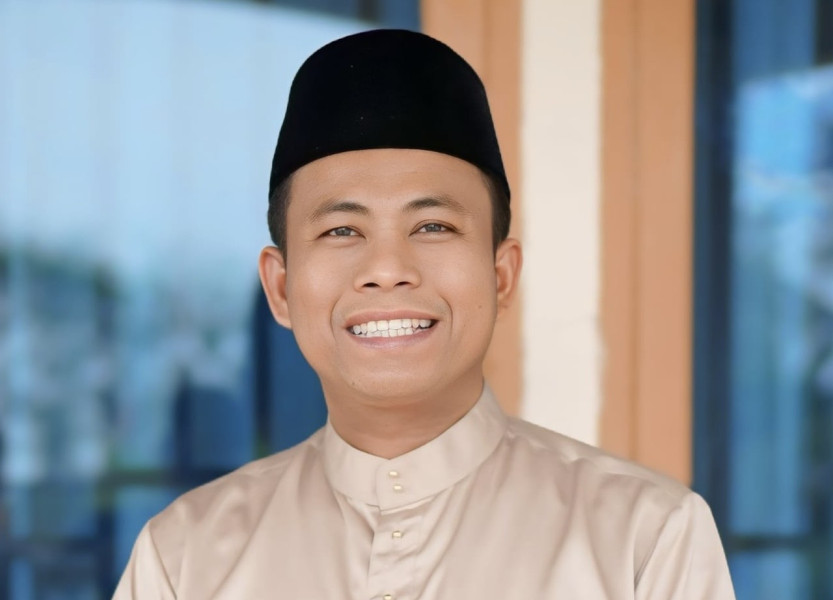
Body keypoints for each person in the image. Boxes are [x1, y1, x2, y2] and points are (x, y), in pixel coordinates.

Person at [113, 29, 735, 599]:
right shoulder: (185, 557)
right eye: (341, 230)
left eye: (433, 226)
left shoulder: (645, 539)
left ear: (501, 275)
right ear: (280, 287)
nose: (388, 268)